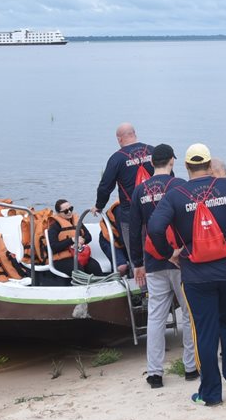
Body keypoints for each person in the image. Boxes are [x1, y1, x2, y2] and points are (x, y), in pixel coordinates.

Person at [147, 143, 226, 407]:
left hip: (196, 274)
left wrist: (169, 253)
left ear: (187, 167)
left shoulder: (175, 194)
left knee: (204, 330)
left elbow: (155, 227)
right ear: (209, 164)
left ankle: (211, 393)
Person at [125, 144, 198, 388]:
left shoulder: (139, 191)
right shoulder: (178, 186)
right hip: (179, 258)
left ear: (151, 163)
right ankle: (190, 367)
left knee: (156, 316)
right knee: (188, 313)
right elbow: (189, 220)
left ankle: (154, 373)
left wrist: (137, 263)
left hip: (153, 259)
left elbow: (134, 229)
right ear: (172, 162)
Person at [95, 123, 154, 276]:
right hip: (156, 212)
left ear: (119, 139)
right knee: (157, 251)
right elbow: (168, 176)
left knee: (136, 255)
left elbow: (105, 186)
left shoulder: (117, 158)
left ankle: (141, 293)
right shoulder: (152, 151)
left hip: (131, 215)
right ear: (135, 134)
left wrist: (99, 206)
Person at [43, 199, 100, 285]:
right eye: (65, 211)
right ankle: (82, 291)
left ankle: (102, 288)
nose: (69, 212)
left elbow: (89, 237)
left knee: (94, 266)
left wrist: (82, 240)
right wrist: (71, 240)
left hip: (78, 255)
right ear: (58, 213)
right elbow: (54, 247)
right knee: (78, 268)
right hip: (61, 260)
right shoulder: (54, 227)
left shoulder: (77, 221)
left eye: (71, 209)